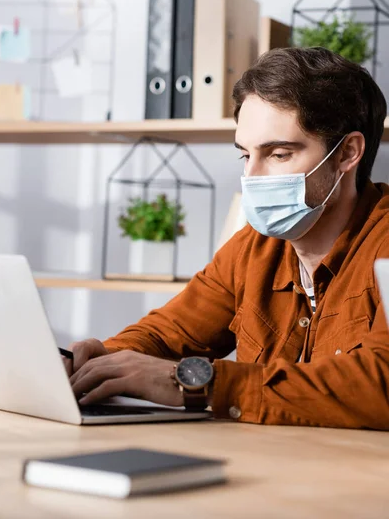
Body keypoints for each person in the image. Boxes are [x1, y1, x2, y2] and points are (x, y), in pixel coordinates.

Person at [67, 47, 389, 429]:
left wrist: (196, 383)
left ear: (347, 153)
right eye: (245, 156)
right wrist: (98, 360)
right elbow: (167, 335)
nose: (252, 176)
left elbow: (378, 385)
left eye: (279, 154)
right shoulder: (252, 248)